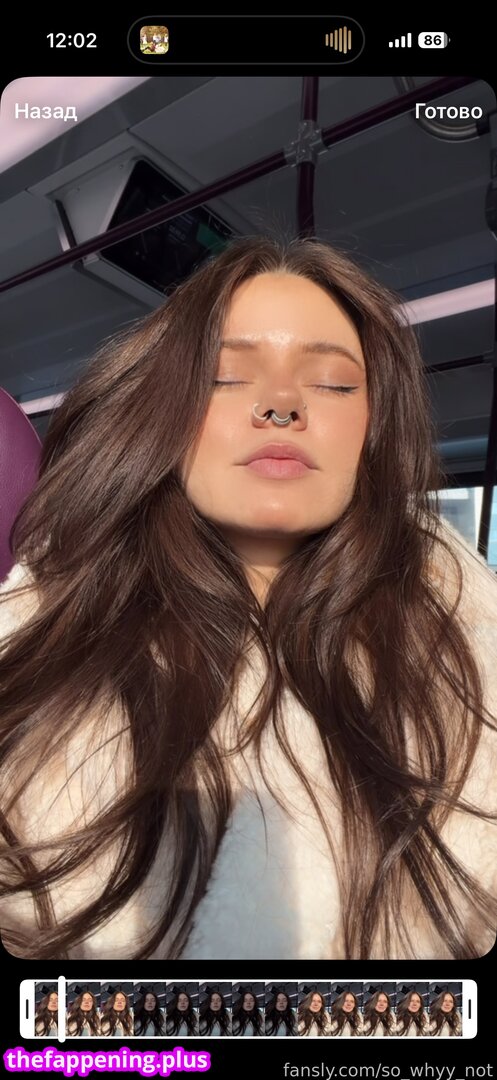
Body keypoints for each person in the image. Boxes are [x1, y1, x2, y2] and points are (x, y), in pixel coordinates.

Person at [1, 236, 497, 962]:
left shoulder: (473, 660)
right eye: (227, 377)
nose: (282, 404)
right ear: (162, 413)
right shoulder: (32, 657)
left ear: (373, 431)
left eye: (334, 384)